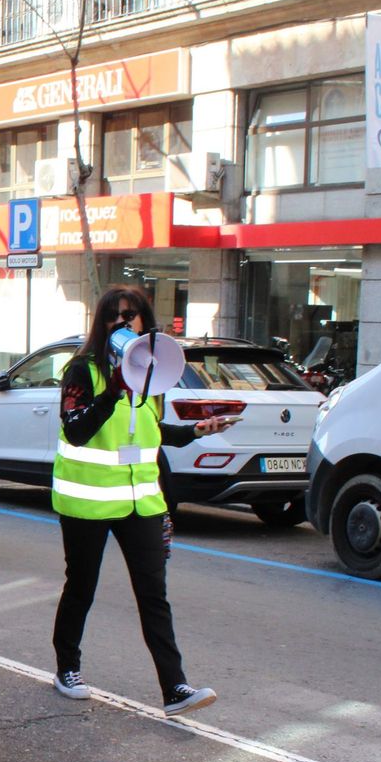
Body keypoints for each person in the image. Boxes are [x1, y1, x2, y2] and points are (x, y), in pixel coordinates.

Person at [51, 285, 228, 717]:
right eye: (115, 316)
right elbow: (76, 430)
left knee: (154, 595)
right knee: (82, 586)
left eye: (133, 317)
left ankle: (175, 687)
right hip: (88, 501)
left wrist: (197, 431)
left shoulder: (154, 375)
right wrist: (113, 390)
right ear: (101, 323)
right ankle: (66, 668)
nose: (124, 324)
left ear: (146, 325)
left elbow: (150, 431)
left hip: (142, 502)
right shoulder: (83, 371)